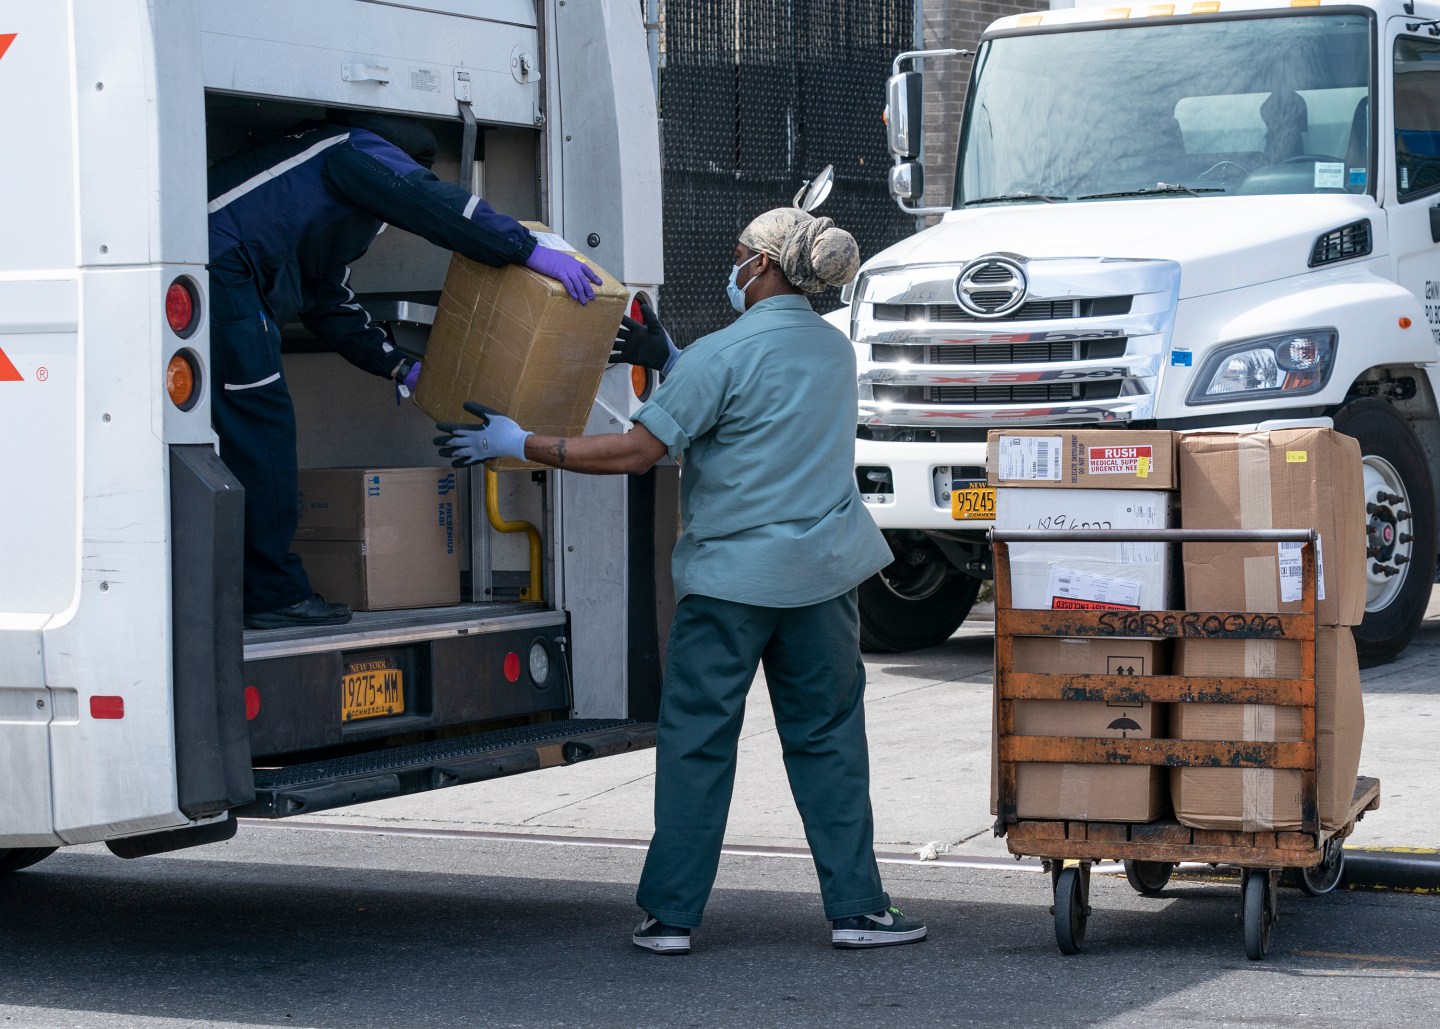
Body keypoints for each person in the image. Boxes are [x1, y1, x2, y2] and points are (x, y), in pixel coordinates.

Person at [434, 206, 926, 955]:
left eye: (737, 254)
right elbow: (761, 398)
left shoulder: (716, 358)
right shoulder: (834, 352)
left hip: (729, 585)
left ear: (761, 265)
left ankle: (671, 917)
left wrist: (521, 440)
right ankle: (858, 909)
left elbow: (638, 451)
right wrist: (670, 354)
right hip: (824, 581)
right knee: (828, 742)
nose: (731, 267)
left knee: (698, 743)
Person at [208, 112, 601, 629]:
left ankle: (257, 586)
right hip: (219, 263)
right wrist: (525, 249)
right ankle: (272, 594)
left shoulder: (325, 203)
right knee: (262, 427)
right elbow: (429, 203)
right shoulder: (353, 149)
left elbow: (326, 300)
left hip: (225, 265)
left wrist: (399, 366)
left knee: (255, 429)